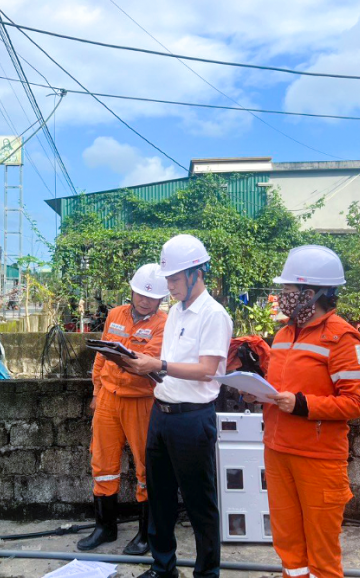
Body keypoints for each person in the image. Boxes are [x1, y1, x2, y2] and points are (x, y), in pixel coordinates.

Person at [242, 245, 360, 578]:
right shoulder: (283, 335)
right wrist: (258, 395)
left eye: (287, 291)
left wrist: (301, 404)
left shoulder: (342, 339)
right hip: (277, 451)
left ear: (310, 294)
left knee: (322, 556)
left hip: (319, 459)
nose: (281, 297)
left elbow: (356, 403)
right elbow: (279, 388)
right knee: (288, 547)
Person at [124, 234, 232, 578]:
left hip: (192, 419)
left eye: (173, 278)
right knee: (160, 497)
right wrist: (143, 365)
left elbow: (208, 370)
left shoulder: (213, 315)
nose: (167, 285)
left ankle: (206, 572)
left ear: (195, 273)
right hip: (163, 413)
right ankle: (163, 566)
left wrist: (158, 366)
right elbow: (169, 363)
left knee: (200, 502)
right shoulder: (175, 313)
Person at [78, 263, 169, 555]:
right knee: (102, 463)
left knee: (145, 467)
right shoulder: (116, 314)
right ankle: (105, 527)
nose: (144, 300)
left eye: (151, 296)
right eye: (140, 293)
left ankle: (146, 533)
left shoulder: (163, 324)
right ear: (131, 290)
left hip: (141, 402)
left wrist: (124, 359)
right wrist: (96, 390)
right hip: (107, 398)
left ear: (160, 300)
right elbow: (102, 358)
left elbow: (148, 360)